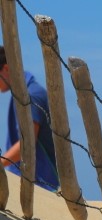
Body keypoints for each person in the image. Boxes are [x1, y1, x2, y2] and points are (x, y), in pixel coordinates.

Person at [0, 46, 58, 191]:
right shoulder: (22, 94)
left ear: (6, 69)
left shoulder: (31, 96)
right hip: (29, 180)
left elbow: (27, 144)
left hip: (40, 185)